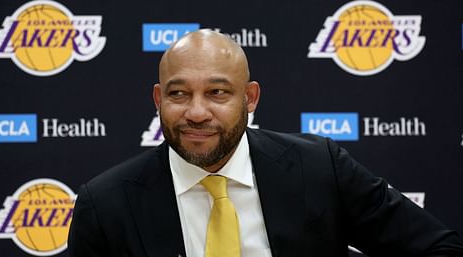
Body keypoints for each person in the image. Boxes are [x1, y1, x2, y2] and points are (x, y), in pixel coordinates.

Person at [68, 29, 463, 257]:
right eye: (178, 94)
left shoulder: (321, 168)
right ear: (158, 100)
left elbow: (438, 250)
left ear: (250, 98)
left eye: (218, 93)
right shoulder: (105, 205)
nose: (197, 112)